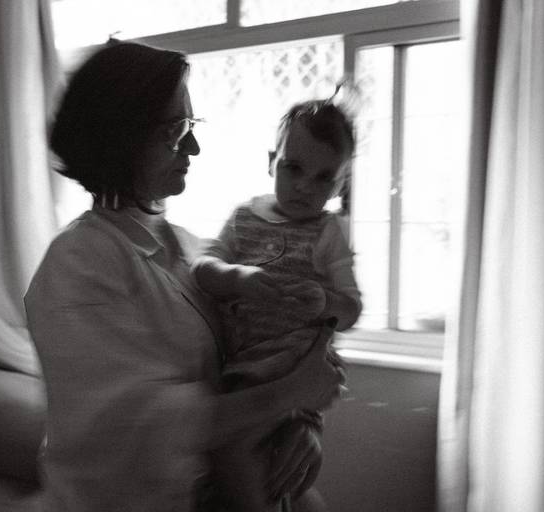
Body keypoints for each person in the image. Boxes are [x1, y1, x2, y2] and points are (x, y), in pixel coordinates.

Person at [24, 40, 345, 512]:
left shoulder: (195, 250)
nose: (193, 146)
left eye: (192, 126)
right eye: (176, 129)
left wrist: (299, 425)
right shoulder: (77, 262)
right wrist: (288, 394)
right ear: (121, 137)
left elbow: (252, 357)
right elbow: (143, 426)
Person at [191, 94, 363, 511]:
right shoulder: (243, 219)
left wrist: (324, 300)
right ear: (272, 162)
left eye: (323, 177)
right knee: (255, 464)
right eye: (293, 168)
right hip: (247, 374)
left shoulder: (329, 233)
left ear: (340, 184)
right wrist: (237, 277)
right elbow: (202, 267)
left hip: (299, 371)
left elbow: (351, 309)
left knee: (263, 462)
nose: (305, 186)